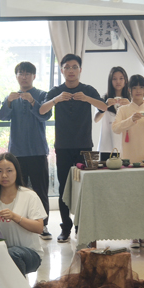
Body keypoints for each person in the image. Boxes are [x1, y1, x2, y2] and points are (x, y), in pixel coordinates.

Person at [40, 54, 108, 243]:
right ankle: (66, 227)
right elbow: (42, 110)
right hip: (62, 146)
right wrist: (56, 100)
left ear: (80, 70)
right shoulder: (56, 91)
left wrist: (87, 98)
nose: (71, 70)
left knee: (87, 187)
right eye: (67, 67)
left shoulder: (88, 90)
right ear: (62, 70)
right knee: (64, 188)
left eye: (74, 67)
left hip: (86, 146)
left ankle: (83, 226)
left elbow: (104, 107)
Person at [0, 61, 53, 240]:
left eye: (28, 73)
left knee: (40, 190)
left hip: (37, 151)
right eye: (21, 73)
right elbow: (1, 116)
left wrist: (32, 101)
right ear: (16, 76)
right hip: (17, 153)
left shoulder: (42, 95)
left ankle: (43, 225)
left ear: (34, 76)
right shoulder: (12, 96)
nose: (24, 77)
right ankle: (19, 222)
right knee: (17, 190)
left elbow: (45, 115)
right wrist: (8, 101)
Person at [0, 153, 47, 275]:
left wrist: (15, 217)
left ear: (17, 172)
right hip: (0, 251)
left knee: (12, 254)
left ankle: (18, 287)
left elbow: (39, 228)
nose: (4, 175)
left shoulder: (29, 196)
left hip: (30, 253)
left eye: (9, 171)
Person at [112, 74, 144, 163]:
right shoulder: (122, 109)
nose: (138, 91)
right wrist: (131, 120)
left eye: (141, 87)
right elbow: (115, 129)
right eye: (135, 88)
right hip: (128, 158)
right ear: (129, 90)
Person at [94, 67, 131, 161]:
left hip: (126, 146)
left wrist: (130, 106)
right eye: (114, 79)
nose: (118, 81)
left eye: (121, 78)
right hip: (107, 146)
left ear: (126, 80)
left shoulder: (130, 99)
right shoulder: (103, 99)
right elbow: (96, 119)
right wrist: (105, 106)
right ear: (110, 81)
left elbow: (137, 120)